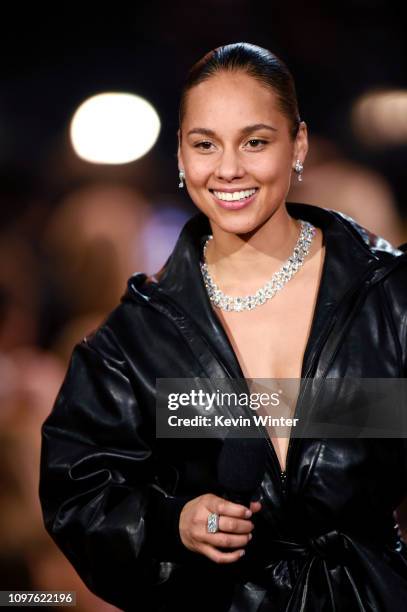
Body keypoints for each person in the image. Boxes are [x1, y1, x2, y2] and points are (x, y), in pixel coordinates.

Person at [39, 42, 407, 611]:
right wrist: (172, 521)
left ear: (298, 144)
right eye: (205, 144)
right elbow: (80, 493)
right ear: (181, 156)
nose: (229, 168)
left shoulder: (387, 294)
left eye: (255, 142)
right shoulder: (133, 340)